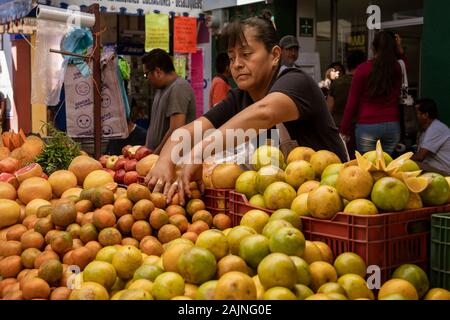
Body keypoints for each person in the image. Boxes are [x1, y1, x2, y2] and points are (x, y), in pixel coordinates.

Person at [144, 15, 348, 204]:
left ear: (275, 55)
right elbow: (188, 131)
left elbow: (265, 113)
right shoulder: (240, 97)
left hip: (335, 196)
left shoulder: (296, 82)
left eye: (246, 54)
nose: (237, 65)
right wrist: (164, 161)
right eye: (232, 58)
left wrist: (199, 152)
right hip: (283, 203)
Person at [340, 31, 404, 155]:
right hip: (392, 124)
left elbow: (352, 102)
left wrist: (344, 129)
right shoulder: (396, 68)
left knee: (368, 167)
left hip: (367, 125)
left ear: (373, 47)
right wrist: (399, 49)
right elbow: (404, 65)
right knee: (388, 167)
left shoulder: (363, 69)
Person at [142, 49, 197, 155]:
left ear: (158, 72)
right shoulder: (161, 89)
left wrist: (157, 155)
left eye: (146, 74)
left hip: (170, 160)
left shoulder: (179, 88)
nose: (147, 78)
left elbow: (176, 129)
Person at [327, 51, 366, 157]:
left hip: (338, 126)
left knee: (341, 158)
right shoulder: (366, 81)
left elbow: (329, 108)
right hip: (360, 126)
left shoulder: (337, 83)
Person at [412, 99, 450, 176]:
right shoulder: (425, 130)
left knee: (410, 164)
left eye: (416, 113)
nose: (414, 117)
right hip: (436, 169)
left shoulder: (436, 128)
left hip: (446, 173)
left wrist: (400, 160)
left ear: (425, 115)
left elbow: (420, 157)